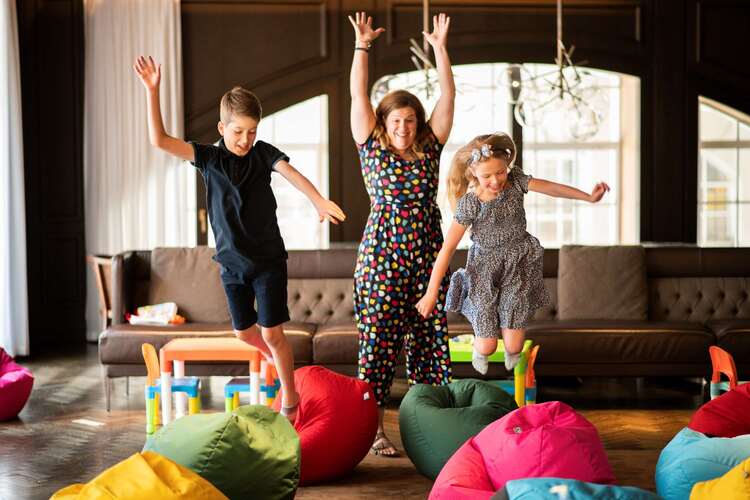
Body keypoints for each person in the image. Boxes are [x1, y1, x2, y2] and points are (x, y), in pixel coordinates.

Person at [133, 56, 346, 421]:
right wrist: (153, 91)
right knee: (244, 334)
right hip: (231, 265)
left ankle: (291, 399)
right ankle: (276, 363)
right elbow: (160, 140)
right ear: (222, 127)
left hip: (267, 262)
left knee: (272, 333)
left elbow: (292, 174)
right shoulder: (208, 158)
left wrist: (317, 200)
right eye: (238, 132)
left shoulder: (263, 154)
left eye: (252, 131)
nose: (246, 139)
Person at [348, 11, 456, 457]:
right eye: (395, 120)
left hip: (427, 258)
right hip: (381, 259)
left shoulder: (430, 147)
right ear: (383, 121)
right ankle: (373, 432)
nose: (403, 127)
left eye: (410, 120)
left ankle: (429, 433)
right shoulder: (370, 145)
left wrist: (440, 49)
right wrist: (362, 46)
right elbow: (357, 92)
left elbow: (448, 95)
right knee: (377, 347)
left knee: (429, 345)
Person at [416, 133, 610, 374]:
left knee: (514, 345)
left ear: (507, 166)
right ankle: (479, 340)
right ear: (473, 172)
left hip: (518, 263)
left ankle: (512, 348)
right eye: (487, 176)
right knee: (487, 346)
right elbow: (447, 249)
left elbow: (551, 187)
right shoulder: (471, 203)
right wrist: (431, 293)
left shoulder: (516, 181)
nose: (496, 180)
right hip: (484, 269)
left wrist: (588, 197)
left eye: (500, 172)